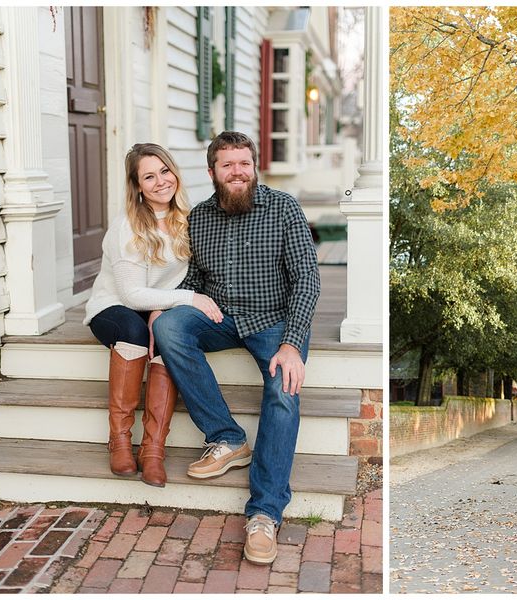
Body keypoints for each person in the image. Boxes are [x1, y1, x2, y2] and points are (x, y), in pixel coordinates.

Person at [152, 131, 320, 565]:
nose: (238, 172)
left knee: (284, 389)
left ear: (254, 165)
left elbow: (307, 278)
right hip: (220, 316)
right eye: (228, 165)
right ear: (212, 172)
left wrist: (293, 343)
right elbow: (194, 282)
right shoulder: (200, 217)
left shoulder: (283, 207)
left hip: (271, 321)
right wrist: (167, 306)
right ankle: (227, 438)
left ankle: (264, 513)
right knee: (170, 327)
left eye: (244, 163)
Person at [83, 143, 222, 487]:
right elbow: (131, 294)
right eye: (149, 176)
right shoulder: (127, 226)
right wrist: (187, 298)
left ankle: (153, 449)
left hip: (158, 305)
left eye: (164, 171)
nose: (161, 181)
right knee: (132, 331)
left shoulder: (187, 218)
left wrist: (167, 307)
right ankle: (119, 439)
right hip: (114, 307)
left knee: (168, 335)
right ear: (138, 187)